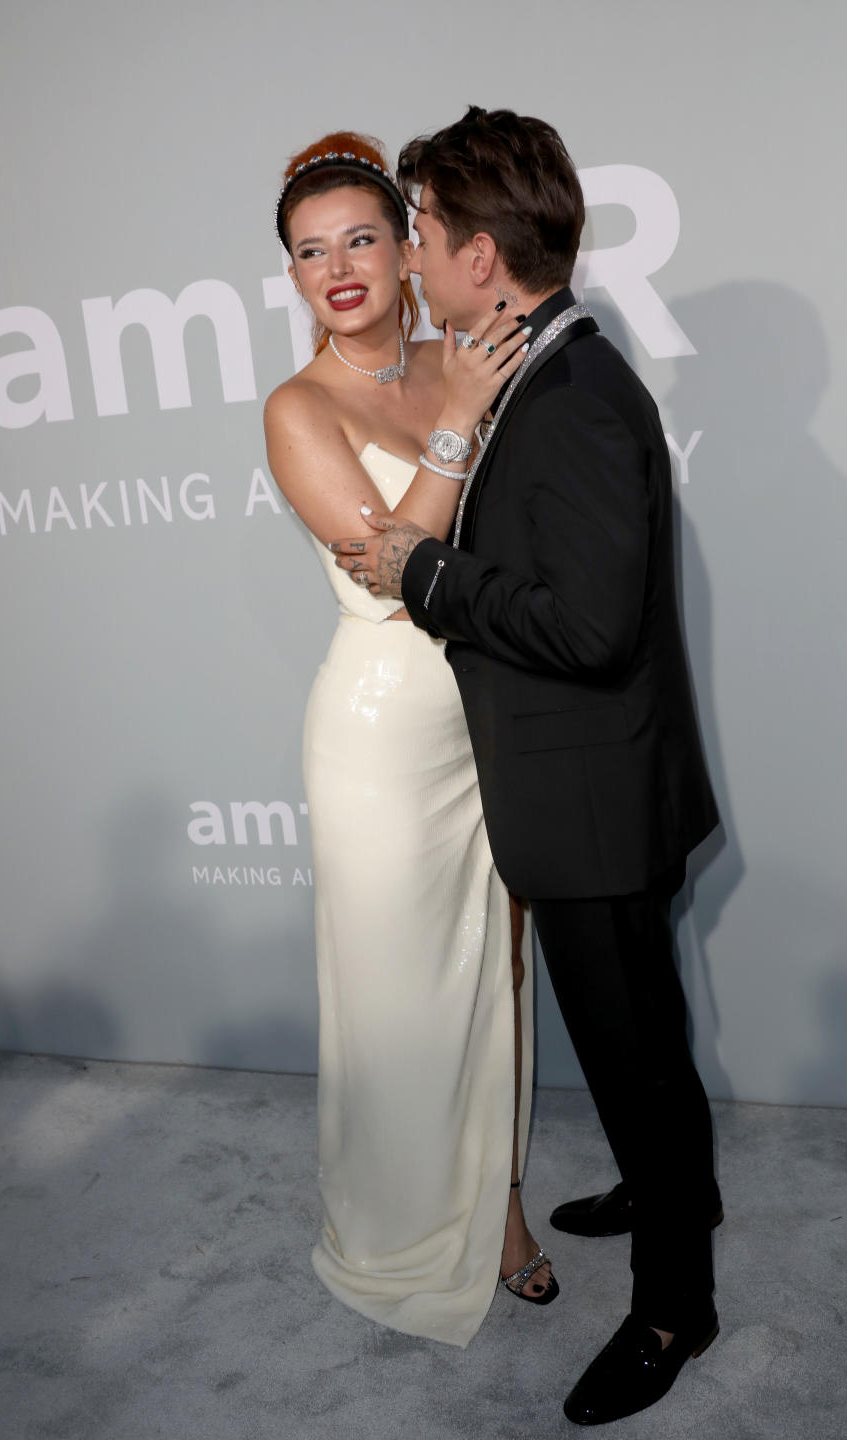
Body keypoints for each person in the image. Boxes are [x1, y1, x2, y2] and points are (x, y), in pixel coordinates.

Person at [330, 107, 722, 1424]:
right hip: (595, 790)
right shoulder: (534, 370)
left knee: (633, 1054)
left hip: (595, 805)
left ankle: (676, 1304)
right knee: (641, 1047)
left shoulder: (570, 400)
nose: (412, 255)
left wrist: (423, 571)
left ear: (482, 254)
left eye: (423, 231)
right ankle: (666, 1178)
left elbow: (594, 629)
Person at [263, 130, 557, 1349]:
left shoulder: (468, 356)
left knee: (497, 976)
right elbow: (392, 576)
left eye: (360, 240)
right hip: (382, 733)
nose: (336, 269)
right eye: (307, 253)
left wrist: (472, 401)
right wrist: (459, 428)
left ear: (407, 247)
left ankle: (498, 1210)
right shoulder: (297, 407)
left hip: (498, 708)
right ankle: (395, 1226)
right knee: (396, 995)